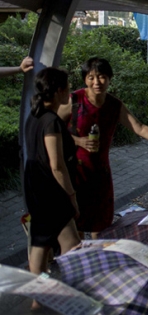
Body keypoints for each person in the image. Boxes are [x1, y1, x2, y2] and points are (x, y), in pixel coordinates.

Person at [59, 57, 148, 234]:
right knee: (76, 222)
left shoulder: (113, 105)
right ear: (85, 79)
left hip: (100, 172)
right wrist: (78, 141)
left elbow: (139, 127)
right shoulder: (74, 101)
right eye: (91, 77)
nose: (96, 82)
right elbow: (52, 131)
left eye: (101, 76)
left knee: (101, 224)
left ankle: (100, 256)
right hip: (76, 173)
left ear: (109, 78)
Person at [24, 67, 81, 275]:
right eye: (67, 88)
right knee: (72, 243)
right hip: (50, 187)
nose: (69, 92)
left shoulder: (34, 116)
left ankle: (37, 297)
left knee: (41, 240)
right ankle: (67, 288)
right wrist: (71, 196)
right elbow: (56, 165)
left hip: (34, 183)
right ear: (58, 91)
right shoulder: (51, 121)